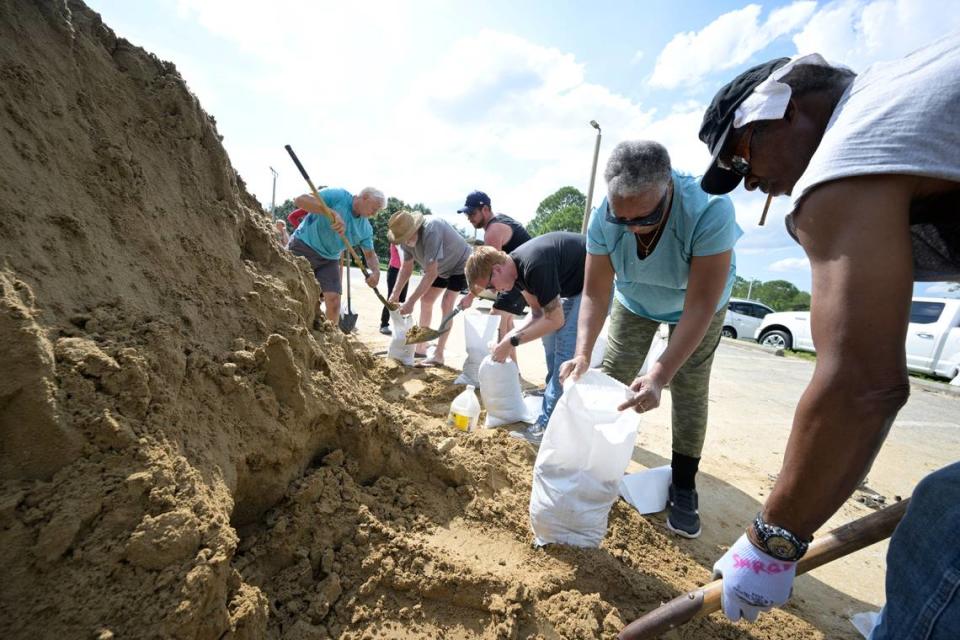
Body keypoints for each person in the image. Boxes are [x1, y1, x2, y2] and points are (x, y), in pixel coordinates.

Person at [697, 35, 960, 635]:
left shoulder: (852, 146)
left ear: (776, 109)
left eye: (741, 159)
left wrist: (770, 541)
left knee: (944, 530)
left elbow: (862, 387)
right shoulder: (906, 101)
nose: (751, 184)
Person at [558, 140, 741, 539]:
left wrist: (659, 374)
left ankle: (684, 482)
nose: (632, 228)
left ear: (668, 189)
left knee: (688, 385)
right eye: (620, 218)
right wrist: (583, 352)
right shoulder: (603, 217)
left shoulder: (709, 208)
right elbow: (594, 292)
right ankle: (598, 464)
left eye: (643, 217)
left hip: (696, 306)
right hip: (635, 299)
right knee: (612, 375)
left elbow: (700, 306)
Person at [465, 232, 586, 444]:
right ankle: (557, 399)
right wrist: (507, 339)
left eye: (491, 287)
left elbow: (555, 320)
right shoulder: (516, 272)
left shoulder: (534, 266)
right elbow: (539, 314)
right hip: (571, 286)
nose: (495, 292)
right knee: (549, 340)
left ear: (497, 269)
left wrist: (512, 342)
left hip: (589, 286)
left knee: (564, 351)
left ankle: (548, 426)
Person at [387, 210, 472, 367]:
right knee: (426, 301)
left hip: (460, 263)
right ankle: (421, 348)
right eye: (402, 240)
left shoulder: (431, 230)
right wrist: (395, 293)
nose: (405, 242)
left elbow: (431, 273)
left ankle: (439, 355)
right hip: (441, 267)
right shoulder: (405, 241)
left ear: (415, 229)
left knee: (446, 303)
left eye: (407, 237)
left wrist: (410, 301)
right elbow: (406, 268)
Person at [289, 187, 385, 326]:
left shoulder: (365, 229)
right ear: (365, 197)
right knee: (296, 292)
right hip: (303, 246)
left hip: (329, 259)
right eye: (374, 208)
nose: (374, 214)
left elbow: (370, 255)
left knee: (334, 302)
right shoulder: (338, 195)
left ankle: (331, 342)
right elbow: (300, 200)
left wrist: (376, 272)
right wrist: (330, 212)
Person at [458, 191, 532, 355]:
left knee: (497, 316)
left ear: (485, 209)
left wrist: (470, 297)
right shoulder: (500, 219)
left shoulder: (493, 231)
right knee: (506, 321)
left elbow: (486, 272)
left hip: (520, 276)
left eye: (472, 213)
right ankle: (510, 370)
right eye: (467, 214)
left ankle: (499, 365)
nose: (469, 218)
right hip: (522, 276)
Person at [379, 243, 408, 335]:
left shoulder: (407, 238)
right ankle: (384, 324)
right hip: (395, 271)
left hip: (405, 271)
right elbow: (403, 257)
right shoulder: (397, 238)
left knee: (402, 300)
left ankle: (399, 326)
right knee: (392, 298)